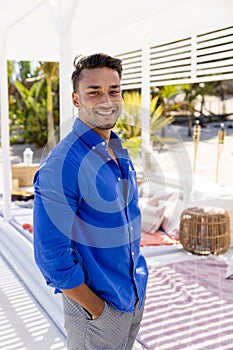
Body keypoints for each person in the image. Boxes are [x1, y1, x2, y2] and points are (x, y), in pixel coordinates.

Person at [33, 53, 148, 350]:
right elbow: (50, 256)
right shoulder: (62, 164)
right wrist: (97, 310)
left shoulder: (118, 148)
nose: (106, 100)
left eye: (114, 90)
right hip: (98, 309)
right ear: (76, 99)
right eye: (94, 92)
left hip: (132, 293)